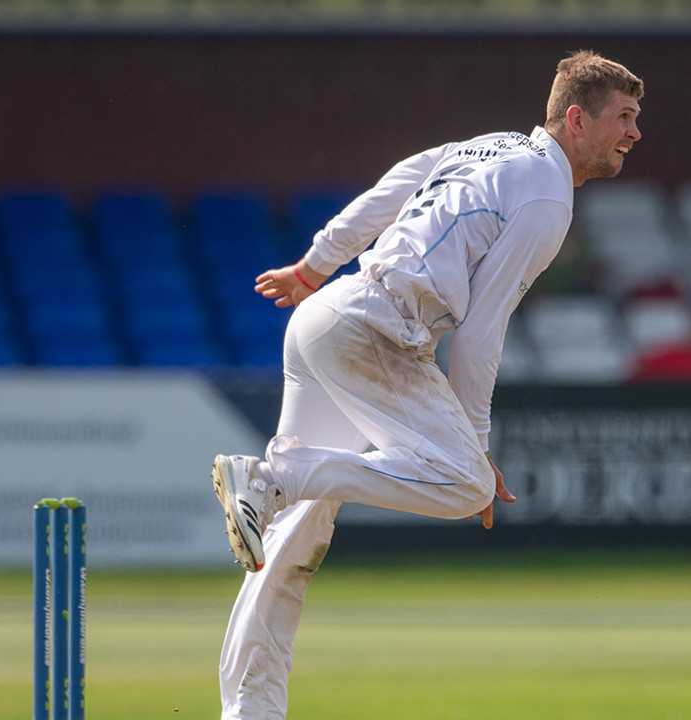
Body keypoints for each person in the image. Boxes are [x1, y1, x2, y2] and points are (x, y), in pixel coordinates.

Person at [210, 50, 644, 719]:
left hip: (326, 317)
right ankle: (279, 478)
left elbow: (394, 188)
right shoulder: (547, 197)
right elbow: (481, 329)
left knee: (292, 540)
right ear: (578, 118)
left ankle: (249, 711)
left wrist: (315, 265)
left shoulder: (490, 147)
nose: (634, 134)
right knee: (462, 484)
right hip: (375, 334)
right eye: (624, 117)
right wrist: (475, 444)